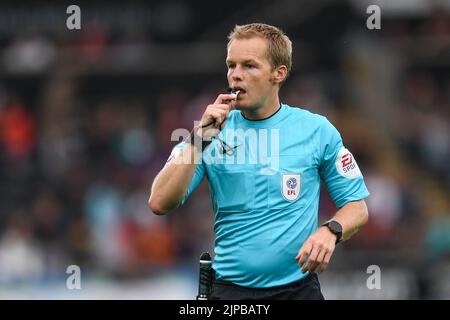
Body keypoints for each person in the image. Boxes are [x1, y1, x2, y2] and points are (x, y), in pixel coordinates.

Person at [149, 23, 369, 300]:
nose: (236, 75)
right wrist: (198, 140)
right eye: (232, 65)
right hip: (230, 293)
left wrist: (330, 230)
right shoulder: (209, 131)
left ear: (279, 73)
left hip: (298, 291)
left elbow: (357, 207)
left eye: (249, 66)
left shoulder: (316, 129)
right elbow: (159, 202)